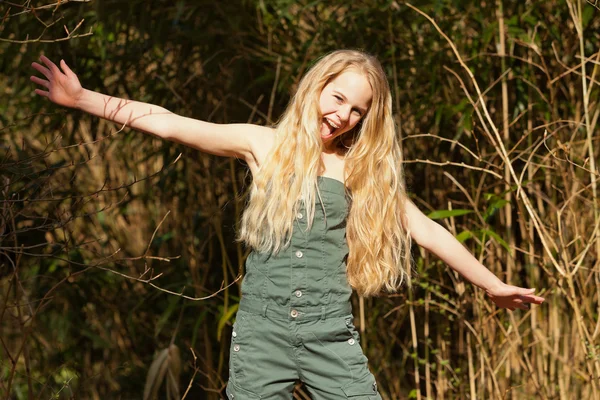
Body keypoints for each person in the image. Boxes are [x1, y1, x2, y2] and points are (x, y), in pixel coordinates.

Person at [31, 50, 545, 399]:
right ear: (316, 88)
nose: (343, 114)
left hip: (330, 337)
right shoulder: (265, 145)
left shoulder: (360, 172)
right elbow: (170, 123)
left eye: (357, 110)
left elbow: (426, 230)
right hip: (261, 336)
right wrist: (83, 100)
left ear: (367, 120)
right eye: (337, 97)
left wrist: (493, 284)